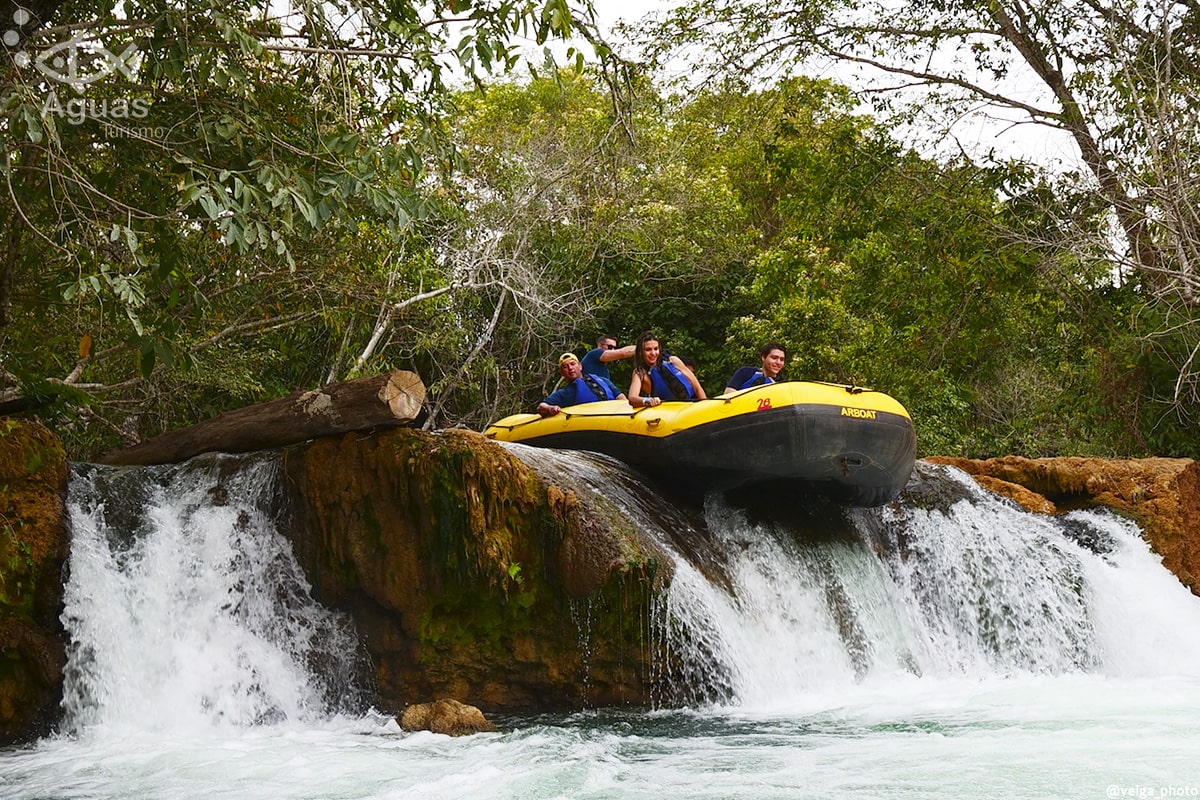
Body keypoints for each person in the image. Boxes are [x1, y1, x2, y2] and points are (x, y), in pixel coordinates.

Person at [627, 332, 706, 407]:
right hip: (671, 413)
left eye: (656, 349)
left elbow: (697, 387)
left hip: (693, 404)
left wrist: (705, 406)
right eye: (648, 350)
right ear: (641, 352)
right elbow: (632, 398)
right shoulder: (640, 373)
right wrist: (648, 400)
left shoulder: (673, 360)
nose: (653, 353)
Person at [537, 352, 626, 417]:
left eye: (572, 364)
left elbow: (620, 396)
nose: (570, 368)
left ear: (580, 366)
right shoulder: (564, 393)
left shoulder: (603, 380)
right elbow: (541, 406)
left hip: (613, 415)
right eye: (565, 367)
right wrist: (550, 408)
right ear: (562, 373)